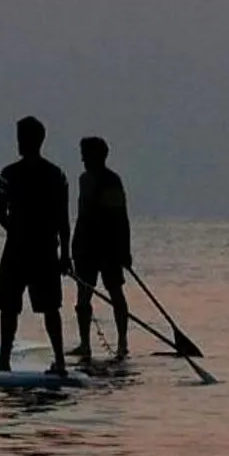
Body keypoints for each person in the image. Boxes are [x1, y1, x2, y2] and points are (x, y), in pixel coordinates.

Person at [0, 116, 73, 376]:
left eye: (22, 138)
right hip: (43, 248)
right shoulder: (55, 174)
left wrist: (17, 232)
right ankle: (56, 361)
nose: (20, 143)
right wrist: (64, 254)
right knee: (20, 306)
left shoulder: (11, 173)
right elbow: (63, 219)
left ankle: (9, 360)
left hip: (23, 248)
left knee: (17, 307)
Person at [71, 136, 132, 358]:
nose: (82, 158)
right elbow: (82, 215)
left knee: (115, 291)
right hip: (85, 248)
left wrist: (124, 250)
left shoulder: (111, 181)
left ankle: (123, 342)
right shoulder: (83, 179)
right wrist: (75, 245)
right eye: (82, 154)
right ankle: (85, 344)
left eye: (86, 154)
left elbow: (120, 217)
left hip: (108, 248)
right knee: (83, 295)